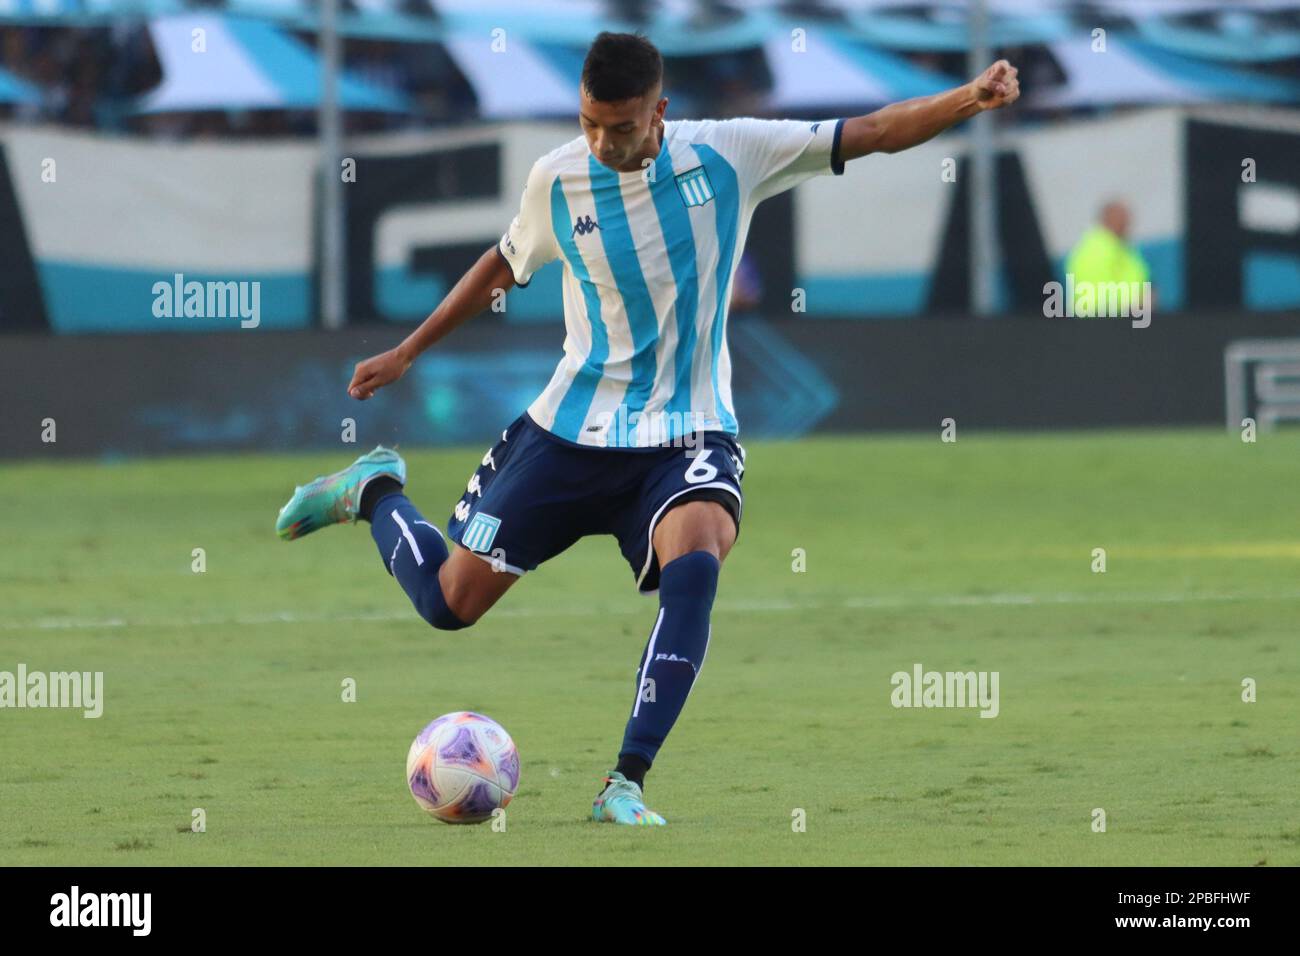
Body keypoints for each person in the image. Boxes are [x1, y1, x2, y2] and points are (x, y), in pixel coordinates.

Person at [276, 32, 1019, 825]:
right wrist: (409, 350)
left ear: (659, 113)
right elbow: (503, 262)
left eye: (622, 127)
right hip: (567, 431)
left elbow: (867, 132)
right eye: (592, 123)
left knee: (698, 556)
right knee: (447, 604)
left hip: (688, 432)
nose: (604, 141)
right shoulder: (557, 178)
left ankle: (624, 781)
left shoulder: (732, 154)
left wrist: (967, 98)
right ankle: (374, 489)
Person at [1065, 201, 1152, 317]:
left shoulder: (1121, 247)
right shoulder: (1094, 250)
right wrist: (1138, 301)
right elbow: (1095, 297)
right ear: (1108, 219)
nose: (1127, 224)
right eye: (1122, 218)